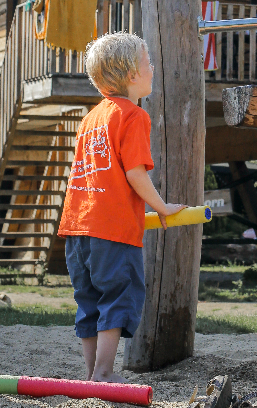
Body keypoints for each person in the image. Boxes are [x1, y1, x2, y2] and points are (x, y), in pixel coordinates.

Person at [58, 32, 186, 383]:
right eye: (148, 63)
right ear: (132, 75)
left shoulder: (90, 119)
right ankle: (103, 372)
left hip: (76, 228)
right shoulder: (133, 116)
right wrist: (161, 205)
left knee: (88, 300)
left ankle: (90, 373)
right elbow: (134, 173)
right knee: (118, 295)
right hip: (112, 230)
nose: (153, 68)